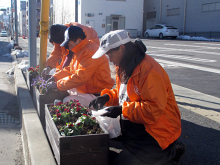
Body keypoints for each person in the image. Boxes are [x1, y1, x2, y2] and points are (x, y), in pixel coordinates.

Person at [89, 30, 186, 165]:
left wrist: (121, 110)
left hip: (156, 132)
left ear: (122, 48)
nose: (109, 59)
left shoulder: (149, 70)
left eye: (110, 53)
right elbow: (123, 92)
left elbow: (153, 110)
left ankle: (169, 153)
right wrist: (107, 97)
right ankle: (163, 154)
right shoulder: (124, 65)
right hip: (139, 126)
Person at [46, 26, 115, 108]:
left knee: (66, 101)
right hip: (87, 90)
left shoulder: (90, 51)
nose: (69, 48)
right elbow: (70, 69)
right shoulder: (79, 50)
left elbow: (81, 76)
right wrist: (55, 77)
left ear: (79, 40)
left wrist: (57, 85)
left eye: (70, 44)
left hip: (98, 95)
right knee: (65, 91)